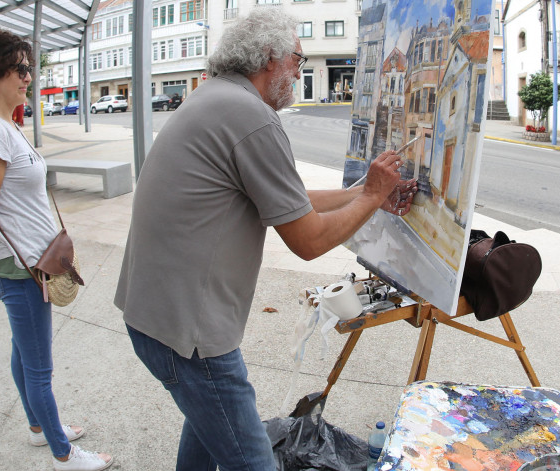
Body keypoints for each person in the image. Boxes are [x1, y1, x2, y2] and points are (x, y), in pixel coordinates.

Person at [115, 7, 416, 471]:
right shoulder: (250, 117)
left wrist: (365, 195)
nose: (299, 71)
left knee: (206, 429)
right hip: (187, 333)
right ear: (269, 57)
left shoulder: (216, 97)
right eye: (297, 58)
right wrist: (372, 196)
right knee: (252, 461)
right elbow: (308, 240)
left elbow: (289, 197)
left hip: (158, 317)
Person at [0, 26, 113, 471]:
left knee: (22, 352)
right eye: (21, 69)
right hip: (22, 266)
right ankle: (64, 455)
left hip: (24, 261)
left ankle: (37, 427)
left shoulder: (5, 127)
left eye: (31, 68)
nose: (29, 76)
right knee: (39, 368)